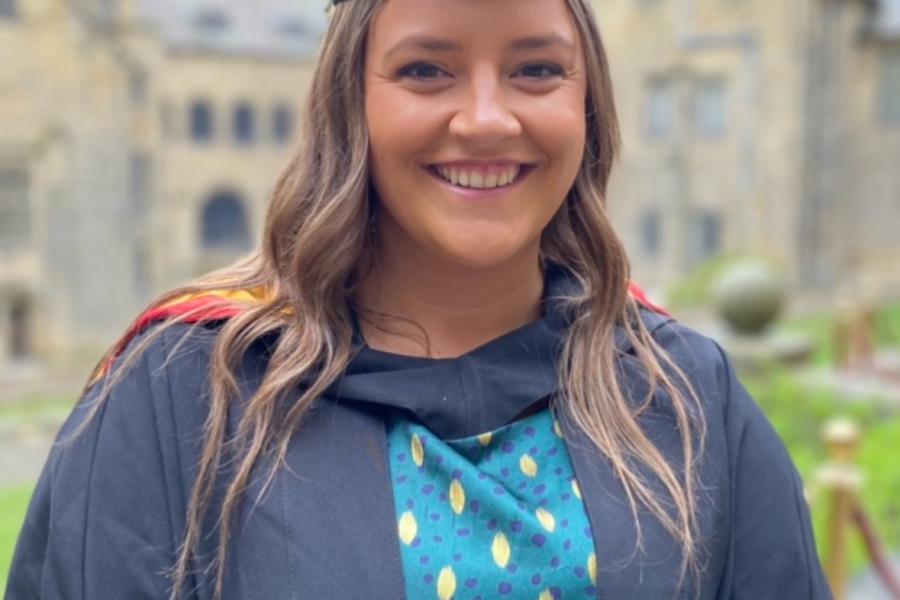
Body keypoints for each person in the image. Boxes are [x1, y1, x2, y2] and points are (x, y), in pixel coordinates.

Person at [6, 0, 832, 598]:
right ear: (349, 103)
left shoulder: (684, 397)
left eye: (536, 69)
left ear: (589, 107)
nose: (485, 118)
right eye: (426, 69)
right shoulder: (186, 397)